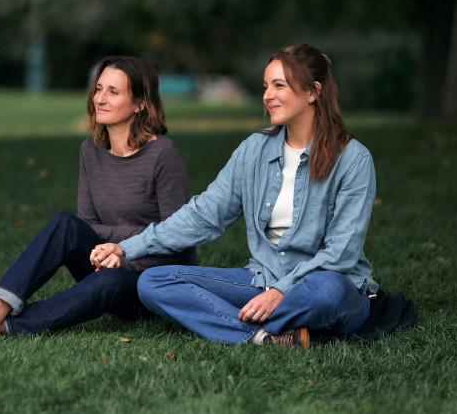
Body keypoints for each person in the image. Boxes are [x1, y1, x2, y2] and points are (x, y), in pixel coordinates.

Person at [91, 44, 378, 349]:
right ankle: (264, 337)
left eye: (279, 85)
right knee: (153, 282)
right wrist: (126, 248)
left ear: (313, 92)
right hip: (259, 282)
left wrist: (282, 291)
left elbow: (342, 253)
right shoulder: (253, 149)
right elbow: (203, 215)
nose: (268, 95)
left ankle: (237, 323)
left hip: (325, 286)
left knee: (329, 289)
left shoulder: (352, 158)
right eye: (266, 86)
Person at [0, 56, 196, 348]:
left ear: (140, 103)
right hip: (104, 264)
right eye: (98, 89)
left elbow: (176, 239)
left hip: (150, 285)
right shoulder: (90, 151)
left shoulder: (163, 156)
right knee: (64, 224)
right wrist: (108, 250)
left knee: (107, 281)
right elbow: (88, 225)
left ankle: (1, 326)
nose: (100, 99)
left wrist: (120, 251)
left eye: (113, 92)